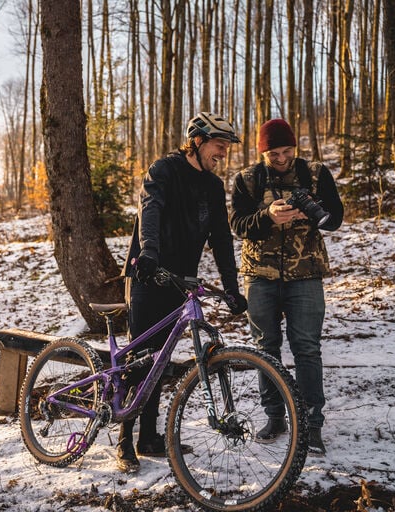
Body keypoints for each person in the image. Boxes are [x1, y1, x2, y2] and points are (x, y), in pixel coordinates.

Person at [119, 112, 248, 473]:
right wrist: (148, 253)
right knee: (140, 360)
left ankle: (149, 437)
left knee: (159, 362)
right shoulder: (163, 170)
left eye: (225, 148)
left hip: (179, 283)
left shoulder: (212, 186)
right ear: (197, 140)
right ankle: (125, 440)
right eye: (219, 146)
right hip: (148, 274)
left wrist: (233, 288)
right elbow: (152, 210)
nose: (222, 153)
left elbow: (221, 239)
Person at [229, 118, 344, 456]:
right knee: (266, 348)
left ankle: (311, 423)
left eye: (287, 151)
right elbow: (238, 225)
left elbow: (335, 218)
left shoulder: (315, 173)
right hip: (259, 276)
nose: (281, 158)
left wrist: (310, 212)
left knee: (307, 348)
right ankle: (275, 416)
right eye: (273, 153)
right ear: (262, 151)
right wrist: (268, 215)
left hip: (305, 274)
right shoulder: (247, 180)